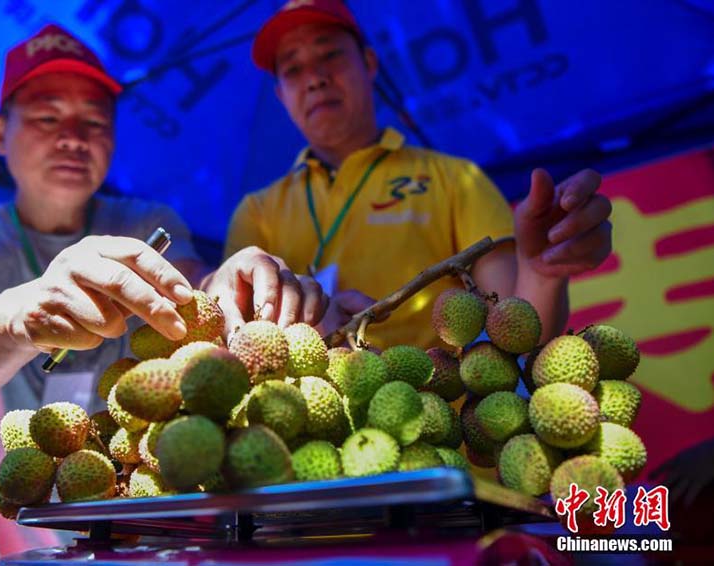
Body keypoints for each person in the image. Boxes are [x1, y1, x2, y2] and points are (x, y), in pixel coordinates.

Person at [0, 24, 325, 563]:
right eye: (48, 116)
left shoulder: (148, 220)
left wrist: (224, 283)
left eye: (94, 121)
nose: (73, 137)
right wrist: (21, 317)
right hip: (16, 548)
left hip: (154, 543)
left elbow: (195, 280)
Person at [225, 0, 613, 351]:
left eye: (330, 55)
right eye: (293, 69)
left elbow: (517, 336)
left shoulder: (456, 179)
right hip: (314, 423)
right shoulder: (256, 213)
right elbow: (243, 340)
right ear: (281, 96)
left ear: (370, 63)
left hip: (445, 421)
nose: (315, 78)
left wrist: (541, 271)